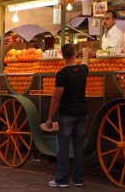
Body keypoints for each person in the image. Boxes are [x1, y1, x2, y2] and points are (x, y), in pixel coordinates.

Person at [46, 44, 90, 188]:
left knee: (63, 147)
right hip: (82, 113)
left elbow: (56, 97)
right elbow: (85, 62)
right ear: (75, 54)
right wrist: (86, 53)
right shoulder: (83, 70)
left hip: (67, 114)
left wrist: (50, 118)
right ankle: (78, 179)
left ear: (62, 54)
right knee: (79, 146)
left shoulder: (62, 74)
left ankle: (62, 179)